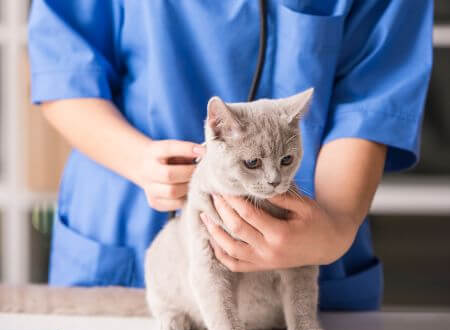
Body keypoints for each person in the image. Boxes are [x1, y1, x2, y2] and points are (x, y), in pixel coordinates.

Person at [28, 0, 432, 310]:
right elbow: (62, 60)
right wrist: (139, 161)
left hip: (314, 230)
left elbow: (373, 99)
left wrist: (332, 227)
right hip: (125, 227)